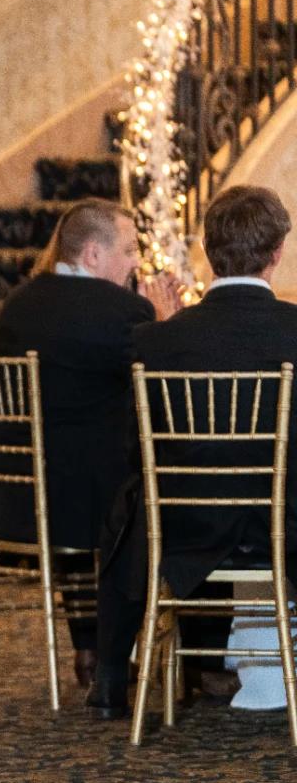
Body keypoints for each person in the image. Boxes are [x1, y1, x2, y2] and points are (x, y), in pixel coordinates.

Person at [94, 185, 297, 716]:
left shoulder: (154, 341)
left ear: (208, 251)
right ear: (277, 254)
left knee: (127, 500)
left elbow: (134, 452)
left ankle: (112, 673)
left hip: (184, 529)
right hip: (285, 526)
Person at [0, 200, 179, 690]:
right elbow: (161, 385)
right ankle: (121, 656)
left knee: (91, 476)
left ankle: (88, 651)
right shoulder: (126, 312)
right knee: (157, 495)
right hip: (104, 501)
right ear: (94, 254)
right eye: (130, 249)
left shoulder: (17, 306)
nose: (137, 261)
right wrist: (163, 325)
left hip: (24, 498)